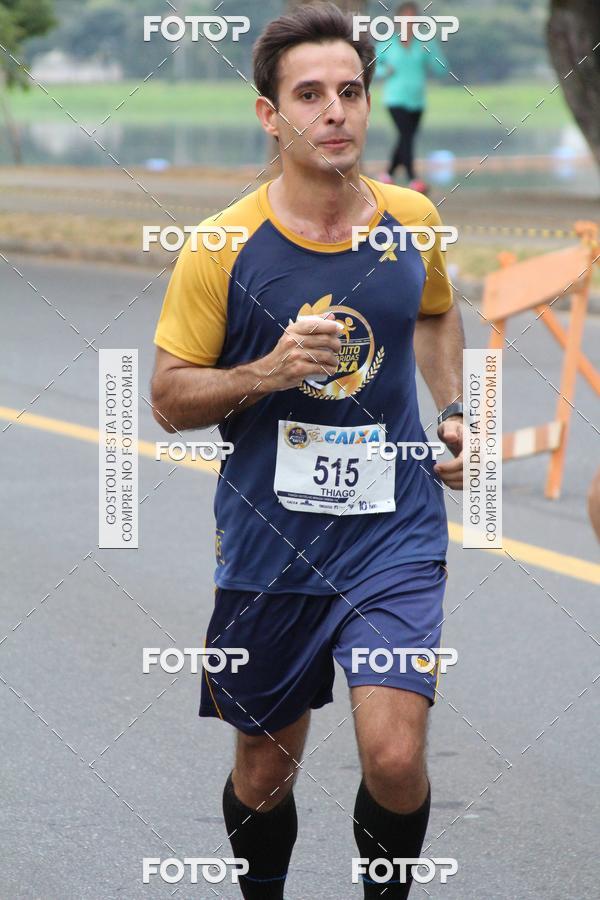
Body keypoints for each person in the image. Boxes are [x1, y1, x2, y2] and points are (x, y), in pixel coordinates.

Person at [151, 2, 464, 897]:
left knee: (395, 756)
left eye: (352, 92)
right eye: (311, 94)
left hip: (391, 533)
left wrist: (455, 413)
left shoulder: (412, 218)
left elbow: (437, 309)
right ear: (270, 114)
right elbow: (170, 399)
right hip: (269, 541)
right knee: (263, 770)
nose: (337, 112)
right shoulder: (220, 246)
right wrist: (269, 369)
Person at [373, 1, 448, 191]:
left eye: (413, 18)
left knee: (405, 138)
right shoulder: (388, 42)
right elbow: (371, 67)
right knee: (406, 136)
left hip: (417, 101)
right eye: (405, 18)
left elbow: (442, 68)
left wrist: (432, 51)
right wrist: (384, 71)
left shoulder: (425, 42)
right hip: (395, 99)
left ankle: (387, 175)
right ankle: (413, 179)